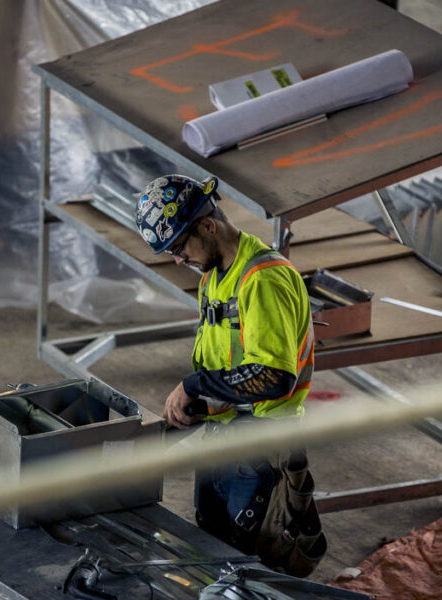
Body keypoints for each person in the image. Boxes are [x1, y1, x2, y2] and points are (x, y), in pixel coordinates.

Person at [135, 174, 327, 577]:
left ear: (208, 225)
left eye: (178, 247)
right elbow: (228, 369)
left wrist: (193, 385)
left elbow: (275, 378)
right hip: (223, 440)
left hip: (261, 449)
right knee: (210, 548)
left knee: (248, 566)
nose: (177, 259)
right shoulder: (212, 279)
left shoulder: (262, 279)